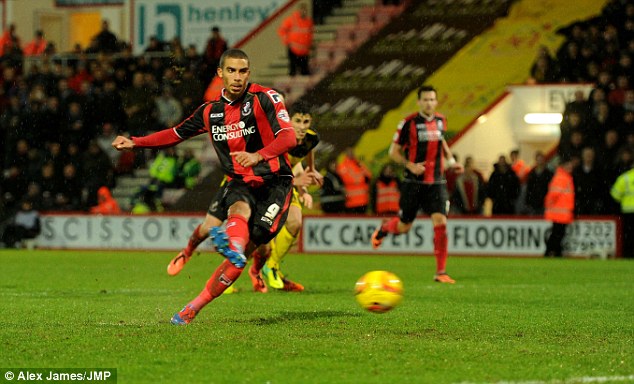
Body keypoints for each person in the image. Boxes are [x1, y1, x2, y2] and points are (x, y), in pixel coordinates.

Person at [112, 49, 297, 325]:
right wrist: (136, 142)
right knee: (238, 210)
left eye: (243, 71)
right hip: (239, 182)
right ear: (220, 73)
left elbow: (289, 137)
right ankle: (191, 308)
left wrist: (259, 155)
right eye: (231, 71)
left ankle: (209, 284)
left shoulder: (265, 98)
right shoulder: (210, 112)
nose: (237, 77)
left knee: (243, 255)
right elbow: (175, 134)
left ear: (249, 73)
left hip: (276, 185)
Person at [371, 85, 464, 284]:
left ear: (436, 102)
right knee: (404, 226)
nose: (429, 103)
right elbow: (393, 152)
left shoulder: (441, 121)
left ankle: (441, 272)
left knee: (441, 222)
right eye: (426, 99)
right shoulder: (408, 123)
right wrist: (410, 165)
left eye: (432, 99)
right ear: (419, 102)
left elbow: (442, 143)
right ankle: (385, 228)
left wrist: (452, 162)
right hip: (413, 183)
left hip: (436, 182)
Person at [262, 101, 322, 291]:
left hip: (287, 184)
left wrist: (310, 176)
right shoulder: (277, 137)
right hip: (267, 185)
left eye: (306, 121)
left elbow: (303, 159)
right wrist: (298, 183)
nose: (303, 127)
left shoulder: (311, 138)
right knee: (258, 237)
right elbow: (268, 170)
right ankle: (228, 278)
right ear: (288, 119)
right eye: (298, 121)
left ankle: (270, 267)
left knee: (295, 223)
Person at [544, 156, 576, 257]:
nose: (570, 167)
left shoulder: (563, 177)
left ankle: (555, 252)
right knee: (557, 234)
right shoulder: (562, 178)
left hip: (560, 212)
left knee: (557, 234)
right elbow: (553, 195)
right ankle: (552, 252)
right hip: (559, 213)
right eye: (568, 165)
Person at [278, 3, 314, 76]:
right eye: (302, 10)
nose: (303, 12)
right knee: (293, 72)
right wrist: (287, 42)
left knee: (304, 72)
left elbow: (310, 35)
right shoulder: (292, 20)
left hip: (304, 52)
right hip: (293, 50)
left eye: (305, 10)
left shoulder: (309, 22)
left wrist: (310, 45)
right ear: (299, 10)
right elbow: (281, 30)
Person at [337, 147, 372, 214]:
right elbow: (341, 182)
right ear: (345, 153)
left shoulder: (359, 164)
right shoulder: (342, 167)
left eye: (352, 152)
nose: (351, 154)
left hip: (363, 199)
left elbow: (368, 176)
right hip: (350, 201)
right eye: (349, 152)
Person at [610, 164, 634, 258]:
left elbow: (615, 195)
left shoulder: (624, 178)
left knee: (628, 237)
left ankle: (628, 255)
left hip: (628, 212)